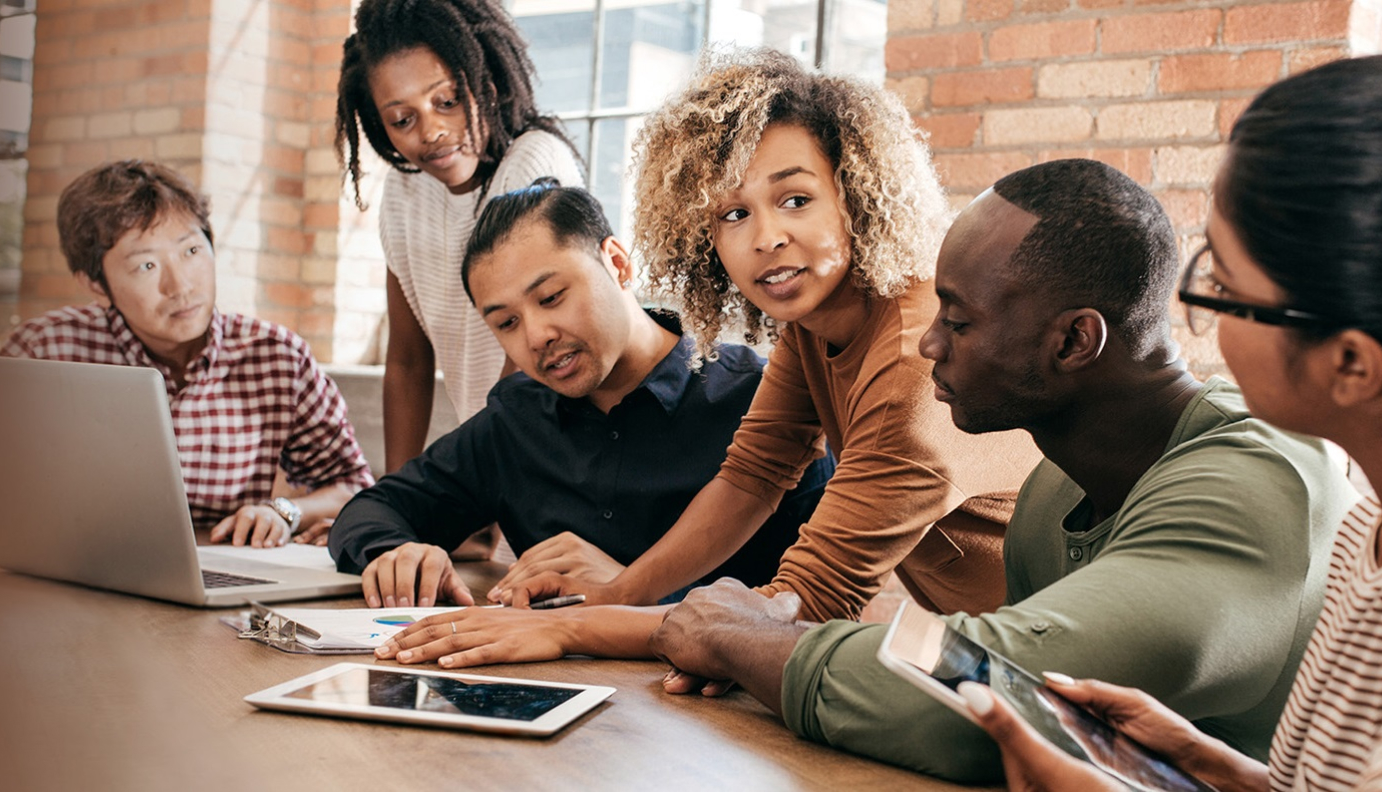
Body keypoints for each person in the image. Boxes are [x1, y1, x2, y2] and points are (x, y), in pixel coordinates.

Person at [645, 157, 1358, 783]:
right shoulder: (1053, 493)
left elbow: (991, 702)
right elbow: (969, 659)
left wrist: (737, 636)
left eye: (957, 320)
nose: (928, 342)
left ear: (1074, 340)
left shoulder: (1258, 479)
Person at [373, 48, 1038, 669]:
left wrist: (570, 626)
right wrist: (611, 601)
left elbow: (805, 604)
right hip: (998, 644)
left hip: (1058, 661)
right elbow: (752, 474)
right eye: (731, 214)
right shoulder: (813, 323)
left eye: (795, 199)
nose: (766, 238)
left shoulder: (912, 360)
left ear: (855, 192)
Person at [960, 56, 1382, 792]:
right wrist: (1212, 770)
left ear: (1351, 364)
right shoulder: (1372, 536)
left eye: (1225, 287)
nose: (1205, 320)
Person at [328, 178, 830, 609]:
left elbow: (808, 612)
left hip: (716, 715)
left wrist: (627, 590)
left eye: (551, 298)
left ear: (617, 263)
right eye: (506, 322)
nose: (536, 335)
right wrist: (400, 553)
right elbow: (371, 511)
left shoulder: (765, 405)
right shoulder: (516, 420)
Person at [0, 160, 374, 546]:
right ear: (96, 284)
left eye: (192, 250)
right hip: (74, 573)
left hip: (221, 573)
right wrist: (43, 525)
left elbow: (354, 488)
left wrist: (284, 510)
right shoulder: (44, 349)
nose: (181, 285)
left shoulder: (277, 358)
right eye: (147, 265)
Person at [334, 0, 585, 474]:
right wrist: (399, 502)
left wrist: (478, 492)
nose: (431, 131)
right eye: (402, 119)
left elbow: (532, 359)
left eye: (446, 101)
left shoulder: (533, 164)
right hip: (494, 460)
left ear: (485, 84)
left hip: (557, 457)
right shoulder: (405, 193)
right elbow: (408, 360)